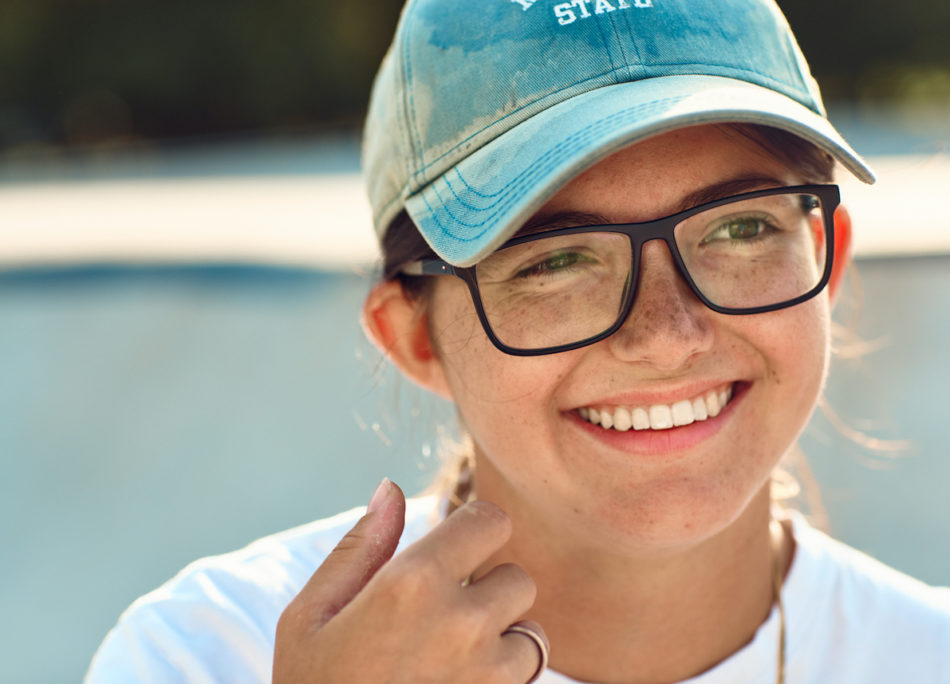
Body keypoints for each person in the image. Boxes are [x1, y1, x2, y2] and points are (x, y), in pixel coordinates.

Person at [87, 0, 950, 682]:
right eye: (554, 260)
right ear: (412, 337)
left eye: (738, 230)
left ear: (828, 261)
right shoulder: (205, 656)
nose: (667, 337)